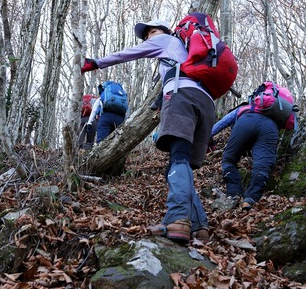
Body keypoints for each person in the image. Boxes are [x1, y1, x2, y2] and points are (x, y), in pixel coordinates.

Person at [81, 19, 215, 244]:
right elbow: (179, 78)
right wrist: (157, 103)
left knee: (178, 159)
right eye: (146, 36)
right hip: (206, 103)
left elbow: (129, 53)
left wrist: (96, 63)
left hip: (183, 97)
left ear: (162, 31)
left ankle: (178, 219)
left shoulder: (165, 40)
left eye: (150, 33)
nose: (148, 39)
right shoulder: (182, 52)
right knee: (182, 164)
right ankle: (200, 226)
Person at [210, 103, 279, 210]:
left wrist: (207, 136)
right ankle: (250, 199)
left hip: (245, 123)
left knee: (229, 160)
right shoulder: (275, 111)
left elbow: (222, 123)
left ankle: (234, 194)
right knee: (262, 165)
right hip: (270, 127)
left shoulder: (243, 108)